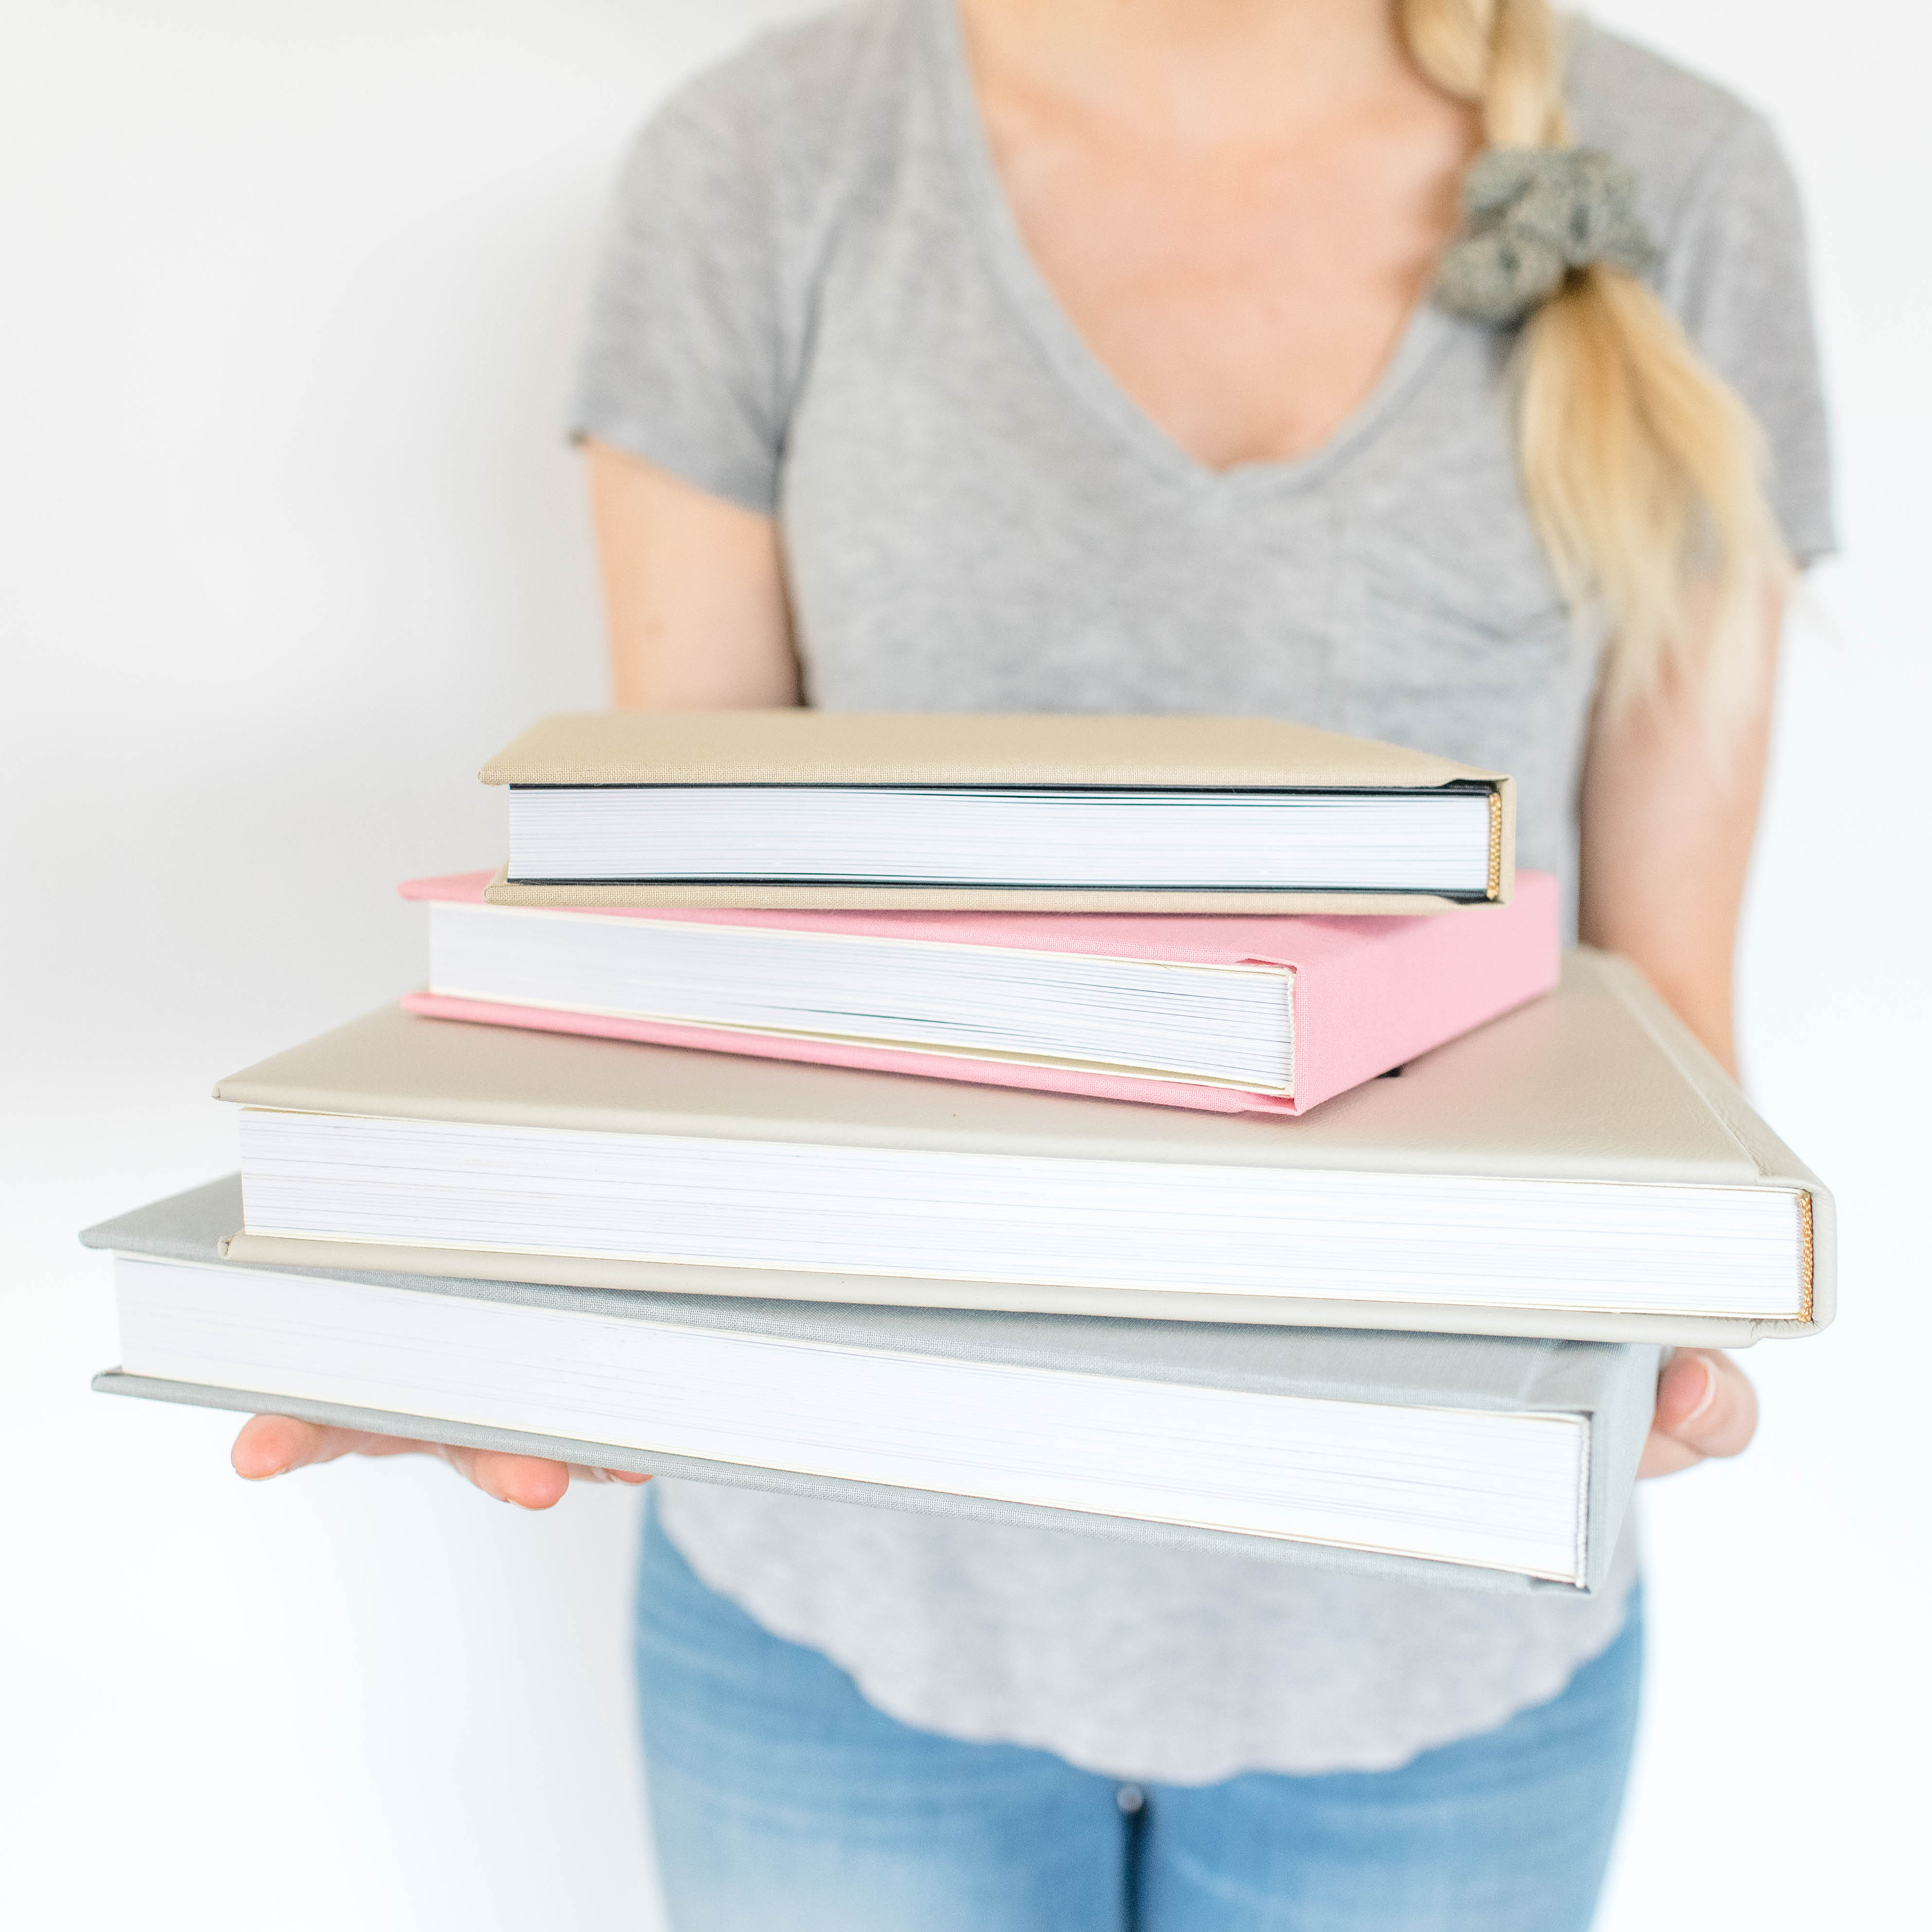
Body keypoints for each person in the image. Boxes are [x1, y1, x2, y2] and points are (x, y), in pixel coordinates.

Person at [232, 1, 1831, 1924]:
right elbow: (682, 949)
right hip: (834, 1618)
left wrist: (1671, 1311)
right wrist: (486, 1287)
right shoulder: (765, 160)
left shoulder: (1694, 177)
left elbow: (1667, 1015)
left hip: (1447, 1654)